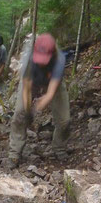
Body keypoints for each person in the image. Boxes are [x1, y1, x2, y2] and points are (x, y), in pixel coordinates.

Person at [9, 32, 70, 167]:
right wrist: (28, 111)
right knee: (19, 114)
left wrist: (39, 106)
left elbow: (50, 93)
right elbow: (26, 90)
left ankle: (59, 147)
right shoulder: (29, 60)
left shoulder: (59, 60)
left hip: (53, 82)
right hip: (32, 81)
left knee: (64, 120)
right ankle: (14, 152)